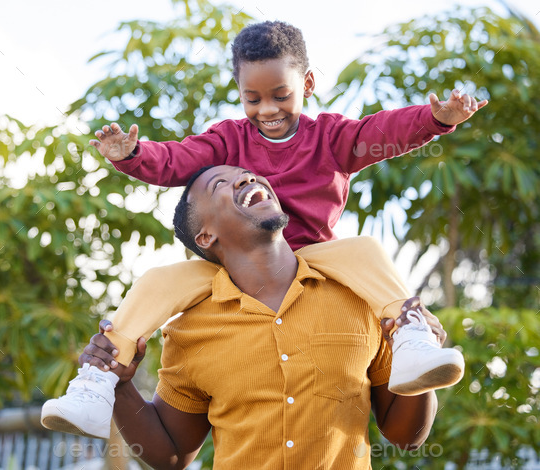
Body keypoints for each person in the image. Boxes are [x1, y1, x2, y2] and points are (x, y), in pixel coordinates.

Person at [41, 20, 483, 438]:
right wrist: (131, 155)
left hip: (313, 257)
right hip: (235, 267)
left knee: (364, 248)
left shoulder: (330, 138)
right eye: (252, 98)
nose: (267, 109)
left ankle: (409, 337)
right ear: (239, 92)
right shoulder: (227, 140)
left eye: (280, 95)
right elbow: (177, 160)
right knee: (158, 280)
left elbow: (382, 129)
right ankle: (97, 382)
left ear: (307, 84)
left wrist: (436, 120)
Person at [76, 165, 447, 469]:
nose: (247, 178)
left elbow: (405, 436)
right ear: (205, 236)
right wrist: (121, 387)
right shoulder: (189, 330)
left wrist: (422, 361)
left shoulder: (360, 298)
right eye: (220, 183)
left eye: (248, 174)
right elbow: (172, 456)